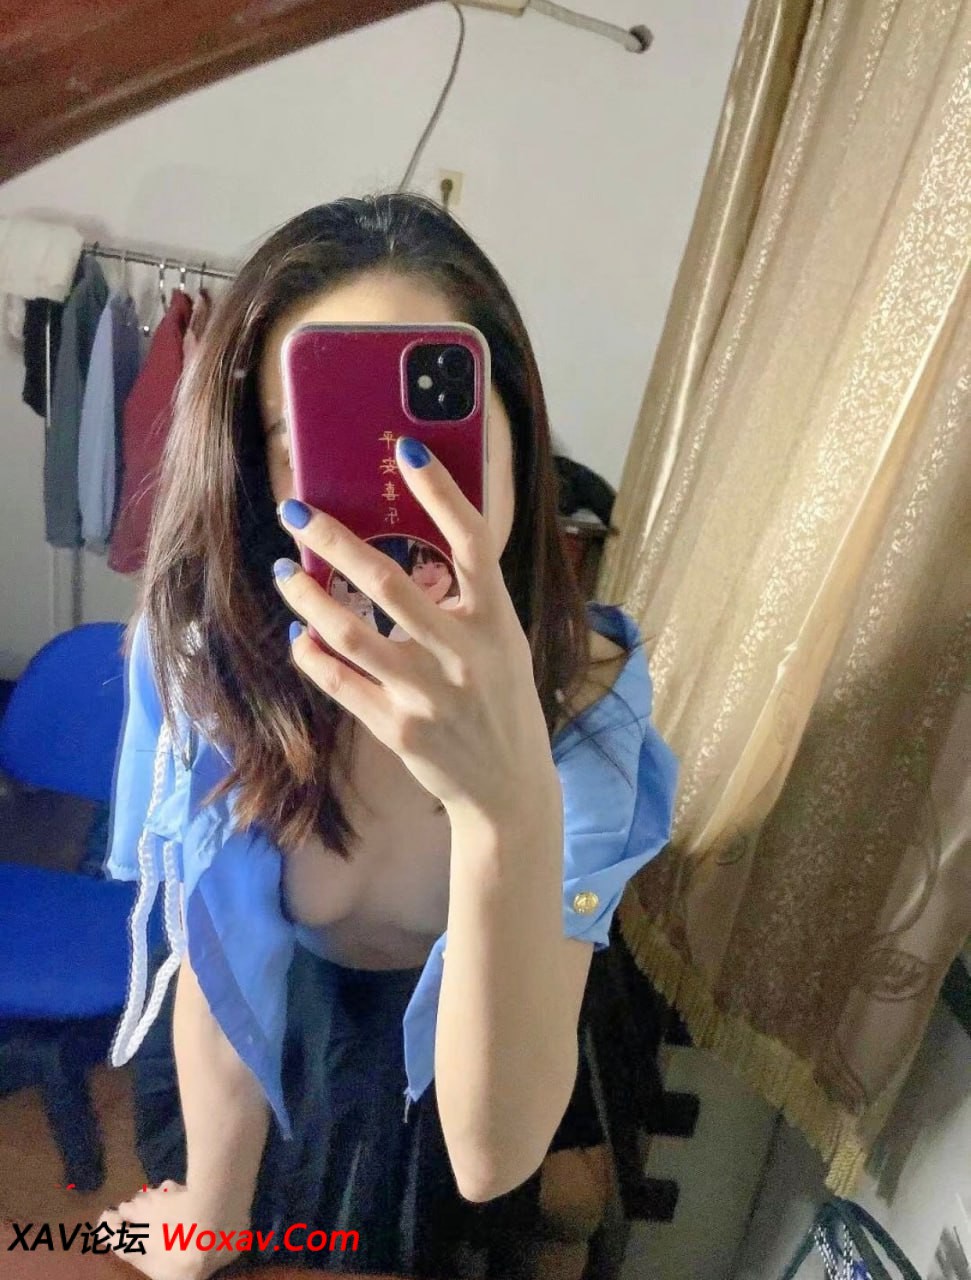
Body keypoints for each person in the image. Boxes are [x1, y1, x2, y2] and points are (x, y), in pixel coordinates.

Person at [98, 194, 680, 1280]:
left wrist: (505, 801)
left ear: (516, 441)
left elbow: (492, 1151)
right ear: (258, 469)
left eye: (434, 431)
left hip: (474, 1023)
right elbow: (213, 956)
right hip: (277, 1026)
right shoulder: (204, 656)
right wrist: (210, 1214)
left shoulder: (587, 691)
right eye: (314, 436)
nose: (394, 490)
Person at [387, 542, 460, 642]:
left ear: (451, 570)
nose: (428, 575)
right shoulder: (406, 610)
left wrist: (432, 596)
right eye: (420, 567)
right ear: (411, 573)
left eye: (438, 566)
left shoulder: (457, 606)